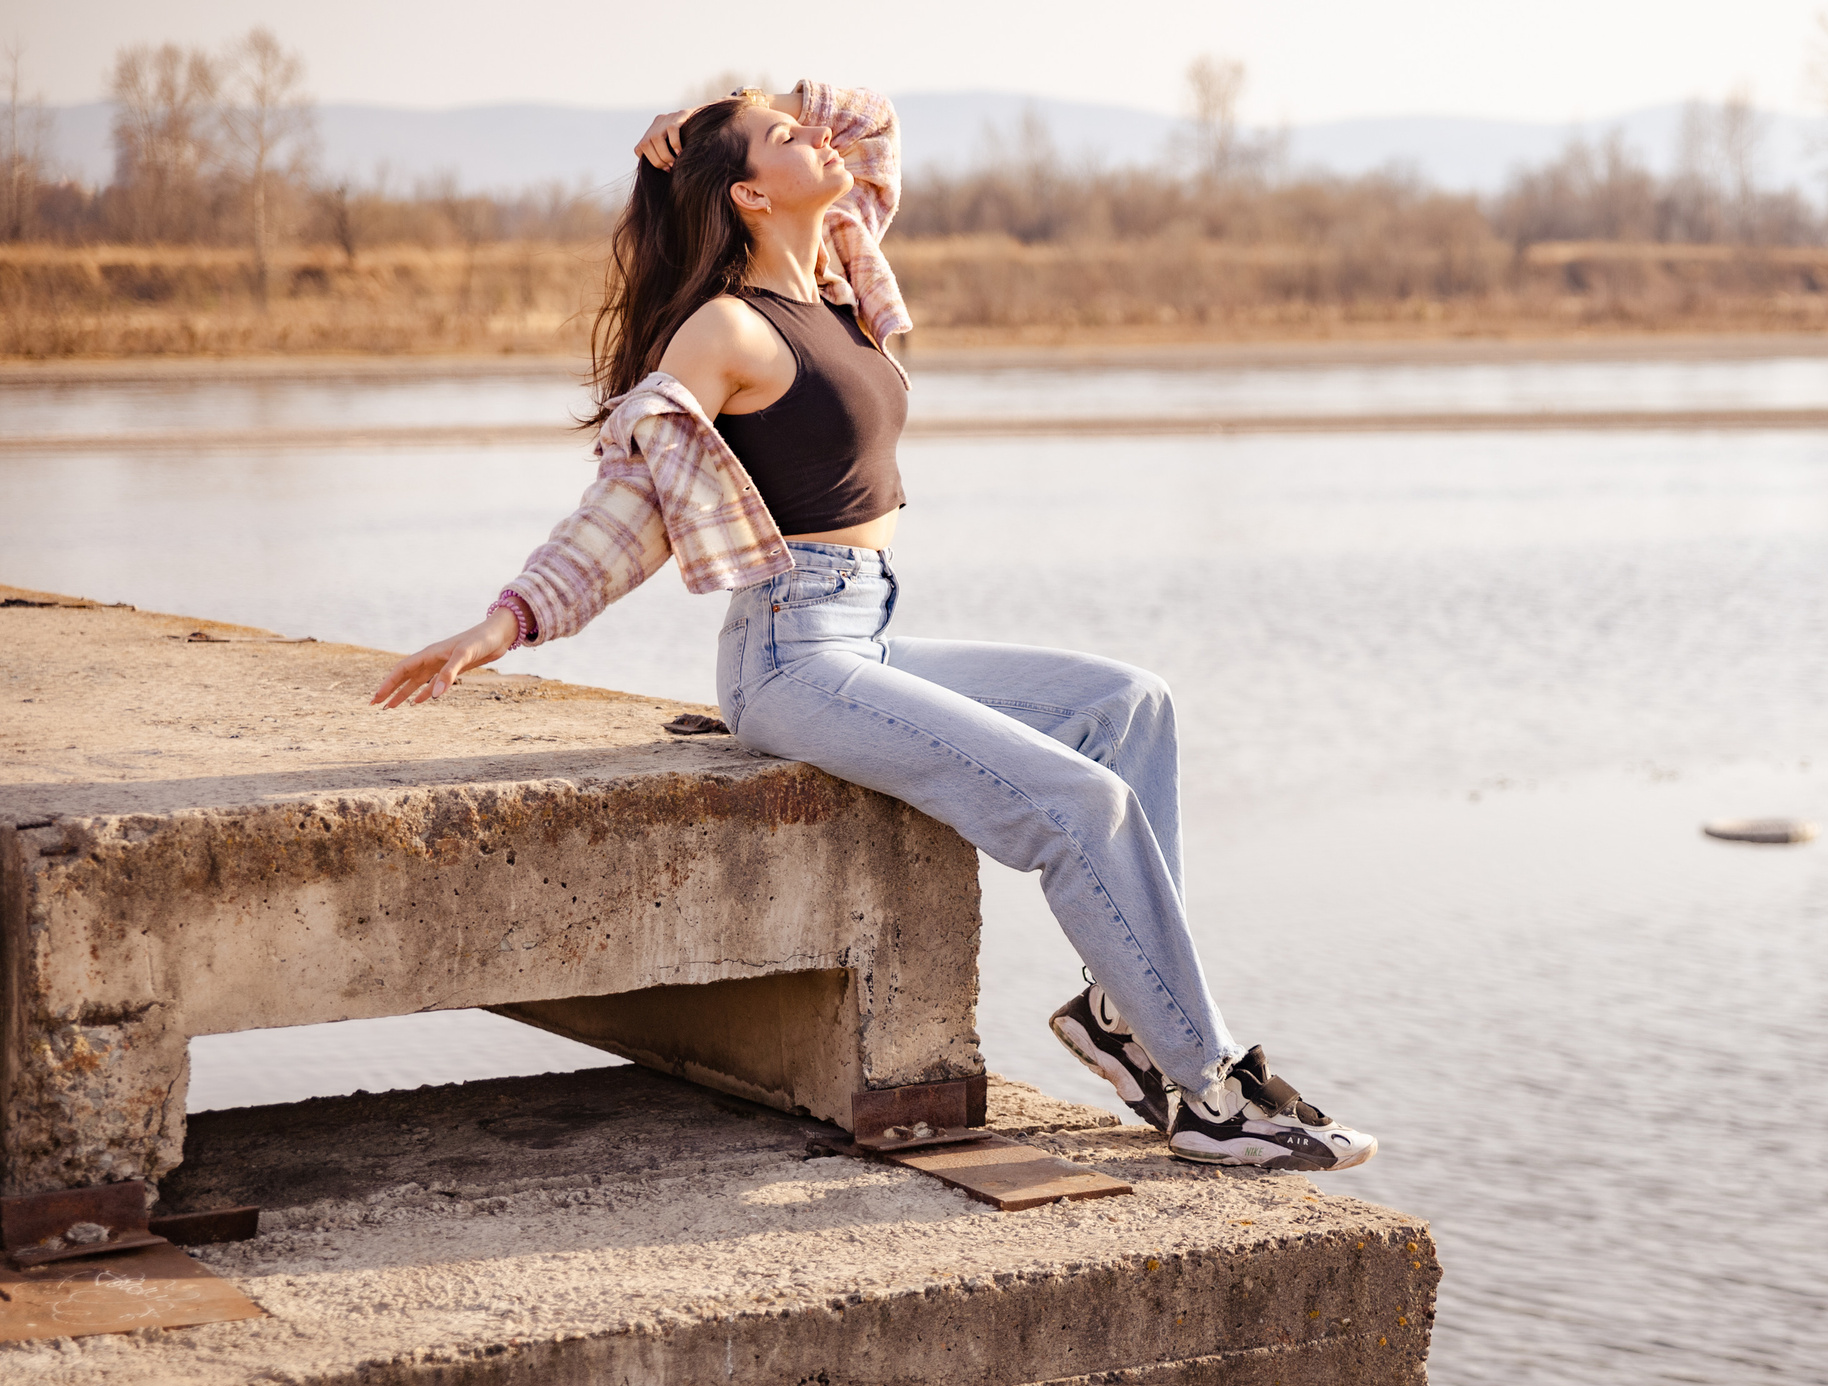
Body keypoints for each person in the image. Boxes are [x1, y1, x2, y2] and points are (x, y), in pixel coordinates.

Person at [371, 82, 1373, 1172]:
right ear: (750, 193)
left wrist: (709, 107)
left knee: (1126, 704)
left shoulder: (844, 269)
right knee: (1077, 804)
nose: (822, 143)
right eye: (785, 141)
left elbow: (866, 121)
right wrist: (504, 621)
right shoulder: (725, 327)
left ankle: (1120, 1017)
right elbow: (632, 501)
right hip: (790, 655)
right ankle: (1211, 1093)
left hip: (869, 630)